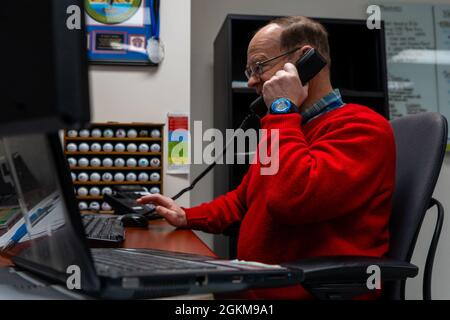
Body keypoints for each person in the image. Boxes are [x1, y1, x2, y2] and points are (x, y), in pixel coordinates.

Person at [138, 16, 396, 299]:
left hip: (305, 293)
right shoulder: (288, 132)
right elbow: (243, 200)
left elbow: (291, 201)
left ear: (304, 60)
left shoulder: (361, 127)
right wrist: (186, 215)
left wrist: (283, 110)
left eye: (259, 66)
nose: (250, 81)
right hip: (256, 287)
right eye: (249, 70)